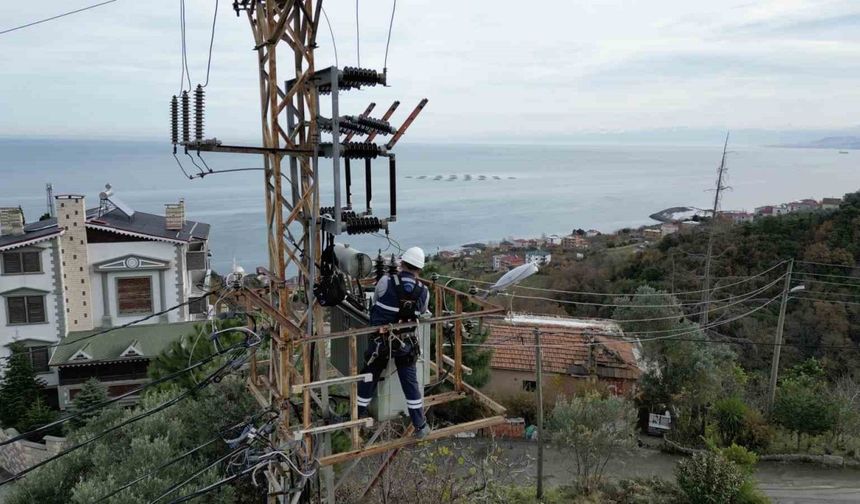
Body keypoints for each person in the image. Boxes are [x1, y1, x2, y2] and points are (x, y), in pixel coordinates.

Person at [356, 246, 431, 439]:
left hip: (381, 343)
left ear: (402, 263)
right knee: (411, 384)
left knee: (369, 374)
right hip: (406, 344)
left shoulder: (385, 282)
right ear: (419, 269)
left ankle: (358, 414)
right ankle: (420, 425)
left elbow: (375, 304)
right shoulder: (424, 291)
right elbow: (423, 312)